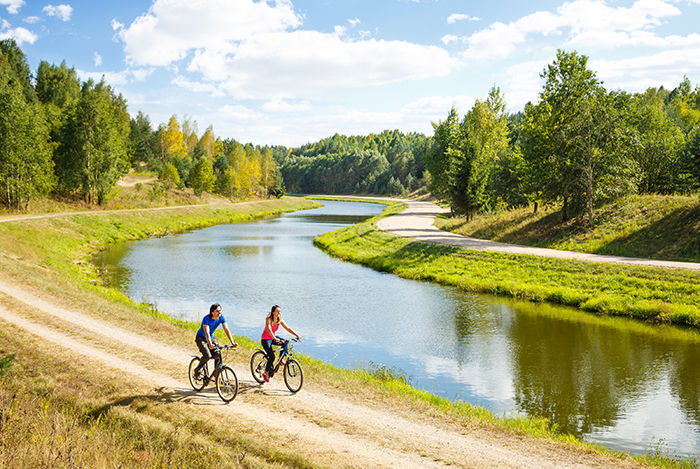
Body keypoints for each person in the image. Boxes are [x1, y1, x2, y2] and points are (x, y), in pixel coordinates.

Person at [193, 303, 237, 380]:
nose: (220, 312)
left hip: (211, 338)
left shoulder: (221, 318)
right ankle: (197, 370)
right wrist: (209, 344)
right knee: (207, 355)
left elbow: (226, 330)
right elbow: (206, 332)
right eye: (217, 311)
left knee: (218, 354)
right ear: (212, 312)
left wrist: (232, 342)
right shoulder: (206, 319)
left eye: (220, 310)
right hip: (201, 338)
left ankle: (216, 375)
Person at [261, 304, 300, 383]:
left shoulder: (279, 319)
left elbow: (288, 328)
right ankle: (265, 373)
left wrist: (297, 335)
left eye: (280, 311)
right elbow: (269, 330)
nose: (279, 312)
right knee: (271, 357)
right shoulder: (269, 319)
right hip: (266, 339)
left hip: (273, 337)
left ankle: (280, 358)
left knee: (285, 343)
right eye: (277, 311)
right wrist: (274, 338)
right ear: (273, 312)